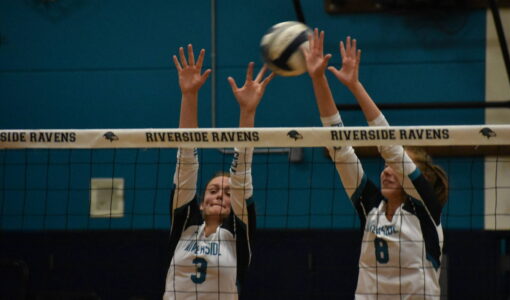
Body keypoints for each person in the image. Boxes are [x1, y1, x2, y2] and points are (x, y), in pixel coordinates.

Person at [303, 29, 449, 299]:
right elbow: (340, 149)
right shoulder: (370, 205)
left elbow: (390, 148)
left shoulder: (426, 209)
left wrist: (355, 86)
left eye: (396, 168)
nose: (386, 170)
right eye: (384, 166)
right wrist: (318, 78)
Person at [163, 44, 275, 299]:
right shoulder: (184, 227)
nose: (219, 196)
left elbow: (242, 172)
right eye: (213, 191)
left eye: (227, 193)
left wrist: (248, 111)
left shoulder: (237, 235)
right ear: (201, 203)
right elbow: (186, 161)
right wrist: (189, 94)